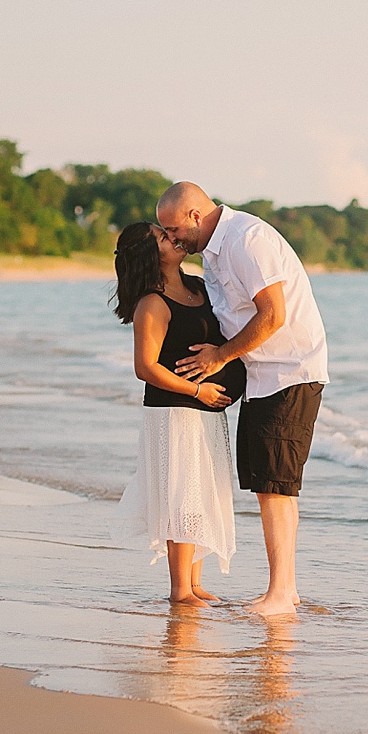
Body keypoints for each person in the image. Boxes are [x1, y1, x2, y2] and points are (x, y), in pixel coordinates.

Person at [156, 182, 329, 616]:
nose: (173, 238)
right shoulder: (215, 250)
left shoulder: (246, 240)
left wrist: (219, 357)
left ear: (196, 215)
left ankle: (281, 593)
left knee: (277, 486)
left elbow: (273, 314)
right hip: (261, 376)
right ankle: (283, 591)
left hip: (289, 371)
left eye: (174, 229)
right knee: (268, 484)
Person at [110, 222, 246, 604]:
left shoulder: (199, 287)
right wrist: (197, 389)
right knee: (182, 497)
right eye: (162, 237)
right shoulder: (152, 303)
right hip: (173, 411)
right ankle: (179, 590)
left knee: (201, 494)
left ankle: (195, 583)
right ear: (151, 255)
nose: (174, 237)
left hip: (205, 410)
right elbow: (146, 367)